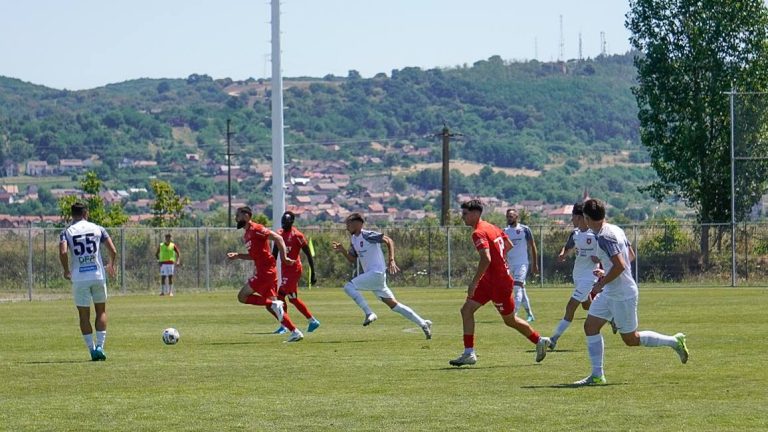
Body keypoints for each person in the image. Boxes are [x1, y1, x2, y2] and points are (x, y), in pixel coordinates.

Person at [573, 199, 689, 386]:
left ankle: (674, 341)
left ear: (586, 218)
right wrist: (607, 272)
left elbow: (621, 265)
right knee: (590, 326)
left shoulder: (604, 236)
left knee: (631, 339)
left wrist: (600, 283)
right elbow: (630, 256)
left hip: (622, 294)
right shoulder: (615, 229)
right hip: (612, 291)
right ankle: (597, 375)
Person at [449, 200, 550, 366]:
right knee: (466, 310)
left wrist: (474, 282)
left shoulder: (478, 233)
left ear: (475, 214)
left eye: (465, 214)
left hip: (499, 283)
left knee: (509, 320)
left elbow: (486, 258)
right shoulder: (492, 227)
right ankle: (469, 353)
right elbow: (508, 245)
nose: (462, 217)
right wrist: (499, 261)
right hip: (490, 280)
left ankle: (539, 341)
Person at [331, 212, 432, 339]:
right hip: (375, 277)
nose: (347, 227)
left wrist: (391, 260)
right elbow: (352, 259)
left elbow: (388, 240)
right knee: (395, 306)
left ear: (358, 223)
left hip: (376, 273)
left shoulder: (367, 235)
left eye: (349, 224)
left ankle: (369, 313)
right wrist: (343, 251)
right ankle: (423, 323)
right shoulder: (354, 239)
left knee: (348, 287)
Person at [227, 206, 303, 342]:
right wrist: (238, 255)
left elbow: (278, 238)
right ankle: (295, 332)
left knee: (242, 296)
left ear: (246, 216)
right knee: (272, 306)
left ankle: (275, 304)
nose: (235, 218)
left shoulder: (256, 229)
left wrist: (284, 258)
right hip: (264, 271)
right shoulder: (247, 234)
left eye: (238, 215)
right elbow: (254, 256)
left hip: (266, 271)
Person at [59, 202, 118, 361]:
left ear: (72, 215)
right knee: (101, 311)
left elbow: (63, 252)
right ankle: (100, 346)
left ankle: (92, 350)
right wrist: (111, 265)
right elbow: (113, 250)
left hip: (79, 278)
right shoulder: (98, 228)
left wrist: (66, 269)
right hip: (98, 275)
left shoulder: (67, 232)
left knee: (83, 315)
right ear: (86, 213)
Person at [548, 202, 600, 350]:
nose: (571, 220)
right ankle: (612, 319)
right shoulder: (575, 233)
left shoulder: (596, 234)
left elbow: (609, 253)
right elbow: (569, 246)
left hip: (590, 277)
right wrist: (563, 253)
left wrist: (600, 259)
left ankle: (553, 339)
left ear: (580, 217)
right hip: (577, 275)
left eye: (573, 217)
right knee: (586, 305)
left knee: (571, 306)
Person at [271, 211, 320, 334]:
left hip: (294, 270)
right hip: (285, 270)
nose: (283, 224)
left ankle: (285, 326)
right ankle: (312, 320)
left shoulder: (297, 236)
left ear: (292, 222)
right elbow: (274, 255)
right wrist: (270, 271)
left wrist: (313, 272)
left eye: (286, 222)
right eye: (282, 221)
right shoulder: (278, 235)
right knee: (292, 299)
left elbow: (308, 254)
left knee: (280, 296)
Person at [503, 208, 538, 322]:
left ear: (516, 217)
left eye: (511, 216)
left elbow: (533, 246)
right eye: (508, 216)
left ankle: (514, 314)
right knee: (521, 289)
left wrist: (534, 264)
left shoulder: (525, 229)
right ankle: (530, 314)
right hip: (510, 264)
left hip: (522, 264)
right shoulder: (504, 231)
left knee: (517, 287)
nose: (509, 218)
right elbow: (503, 248)